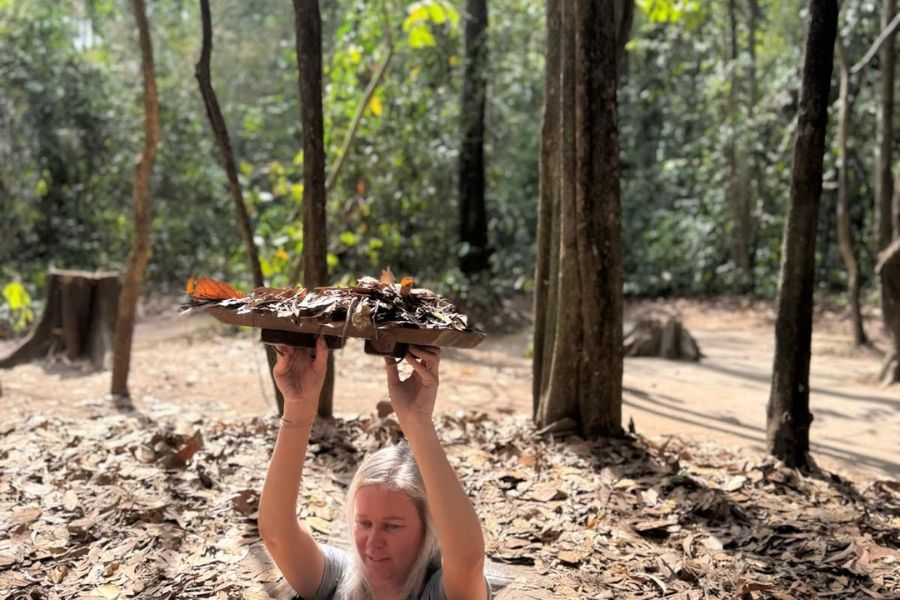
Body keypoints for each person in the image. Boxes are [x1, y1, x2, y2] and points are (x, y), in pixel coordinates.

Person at [258, 337, 491, 600]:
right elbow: (277, 534)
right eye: (364, 523)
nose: (373, 542)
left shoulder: (438, 592)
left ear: (430, 528)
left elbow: (468, 560)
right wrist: (298, 408)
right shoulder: (338, 580)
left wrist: (418, 422)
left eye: (392, 526)